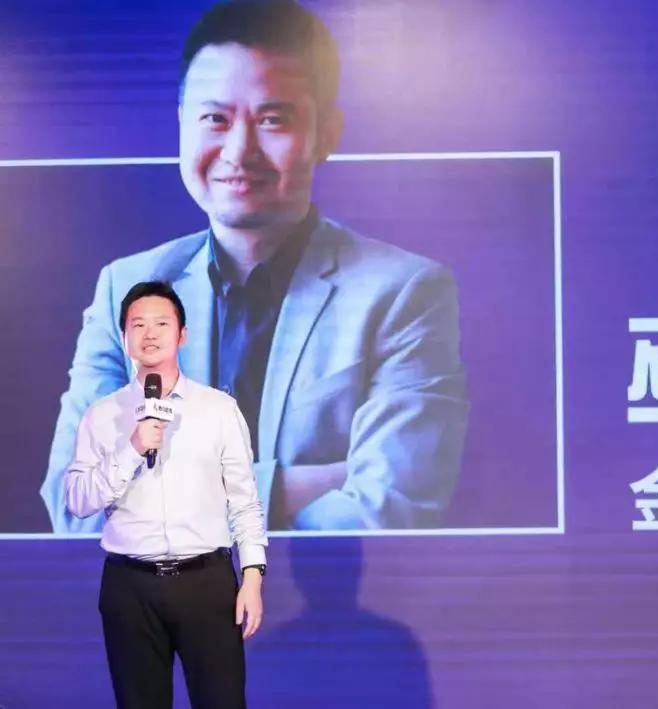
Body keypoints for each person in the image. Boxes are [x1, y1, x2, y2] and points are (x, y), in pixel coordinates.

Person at [41, 0, 468, 533]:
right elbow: (75, 508)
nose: (239, 151)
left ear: (327, 135)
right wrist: (303, 482)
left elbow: (387, 510)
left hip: (310, 596)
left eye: (272, 120)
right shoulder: (124, 289)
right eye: (215, 120)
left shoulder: (404, 293)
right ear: (182, 126)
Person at [66, 280, 267, 708]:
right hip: (130, 586)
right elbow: (78, 500)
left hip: (206, 582)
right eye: (138, 324)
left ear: (182, 334)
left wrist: (252, 577)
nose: (150, 333)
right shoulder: (102, 415)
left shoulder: (217, 409)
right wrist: (132, 448)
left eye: (161, 323)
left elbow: (244, 500)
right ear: (125, 337)